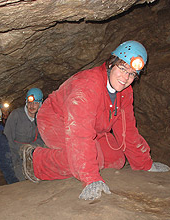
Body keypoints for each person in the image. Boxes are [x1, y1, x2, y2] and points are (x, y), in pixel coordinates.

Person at [21, 40, 170, 200]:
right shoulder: (87, 86)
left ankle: (64, 153)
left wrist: (144, 164)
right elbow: (80, 134)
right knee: (94, 157)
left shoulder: (125, 92)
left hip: (92, 125)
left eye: (132, 73)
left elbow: (127, 130)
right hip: (56, 118)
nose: (125, 77)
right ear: (112, 64)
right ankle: (35, 159)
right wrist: (90, 178)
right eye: (123, 68)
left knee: (117, 158)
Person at [4, 88, 45, 181]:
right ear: (26, 102)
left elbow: (42, 138)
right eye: (30, 103)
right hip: (15, 155)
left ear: (40, 104)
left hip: (31, 153)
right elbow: (7, 139)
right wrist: (14, 159)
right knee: (20, 181)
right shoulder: (16, 115)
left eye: (35, 103)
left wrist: (30, 148)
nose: (32, 106)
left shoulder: (41, 118)